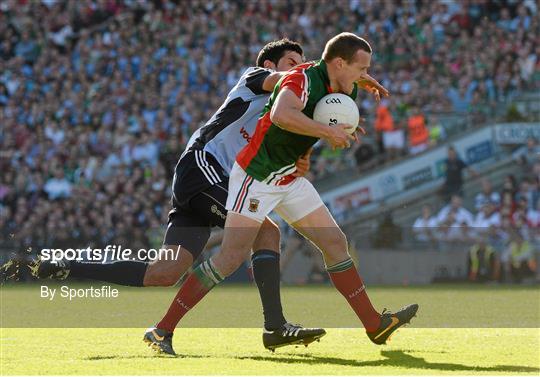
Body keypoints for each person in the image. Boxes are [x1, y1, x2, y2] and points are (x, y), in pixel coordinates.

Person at [31, 38, 389, 355]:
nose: (298, 68)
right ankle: (275, 326)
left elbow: (294, 126)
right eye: (292, 62)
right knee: (267, 233)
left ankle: (66, 268)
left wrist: (345, 85)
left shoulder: (299, 101)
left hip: (212, 183)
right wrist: (336, 72)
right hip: (202, 168)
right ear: (270, 66)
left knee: (164, 272)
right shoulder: (255, 78)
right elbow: (293, 85)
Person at [146, 33, 418, 355]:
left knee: (334, 243)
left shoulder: (344, 89)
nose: (364, 76)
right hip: (256, 176)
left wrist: (312, 150)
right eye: (362, 69)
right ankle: (162, 330)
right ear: (339, 64)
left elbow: (304, 130)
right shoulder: (301, 79)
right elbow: (281, 116)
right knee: (230, 258)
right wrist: (327, 131)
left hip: (287, 177)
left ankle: (375, 325)